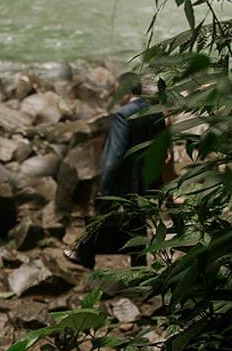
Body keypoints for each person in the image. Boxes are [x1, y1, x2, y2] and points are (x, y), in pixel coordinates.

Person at [67, 72, 167, 270]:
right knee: (136, 223)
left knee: (102, 219)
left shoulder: (123, 115)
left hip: (123, 181)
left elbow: (114, 155)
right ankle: (138, 266)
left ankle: (85, 254)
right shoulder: (155, 112)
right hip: (147, 180)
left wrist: (103, 184)